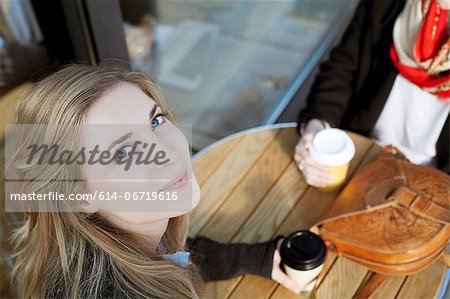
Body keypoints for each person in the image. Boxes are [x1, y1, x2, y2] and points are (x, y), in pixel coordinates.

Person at [7, 63, 300, 298]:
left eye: (155, 121)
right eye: (122, 152)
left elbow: (173, 256)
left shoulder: (104, 242)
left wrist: (252, 258)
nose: (169, 153)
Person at [294, 0, 450, 187]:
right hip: (356, 153)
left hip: (431, 186)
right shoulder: (389, 4)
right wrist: (316, 128)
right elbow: (342, 69)